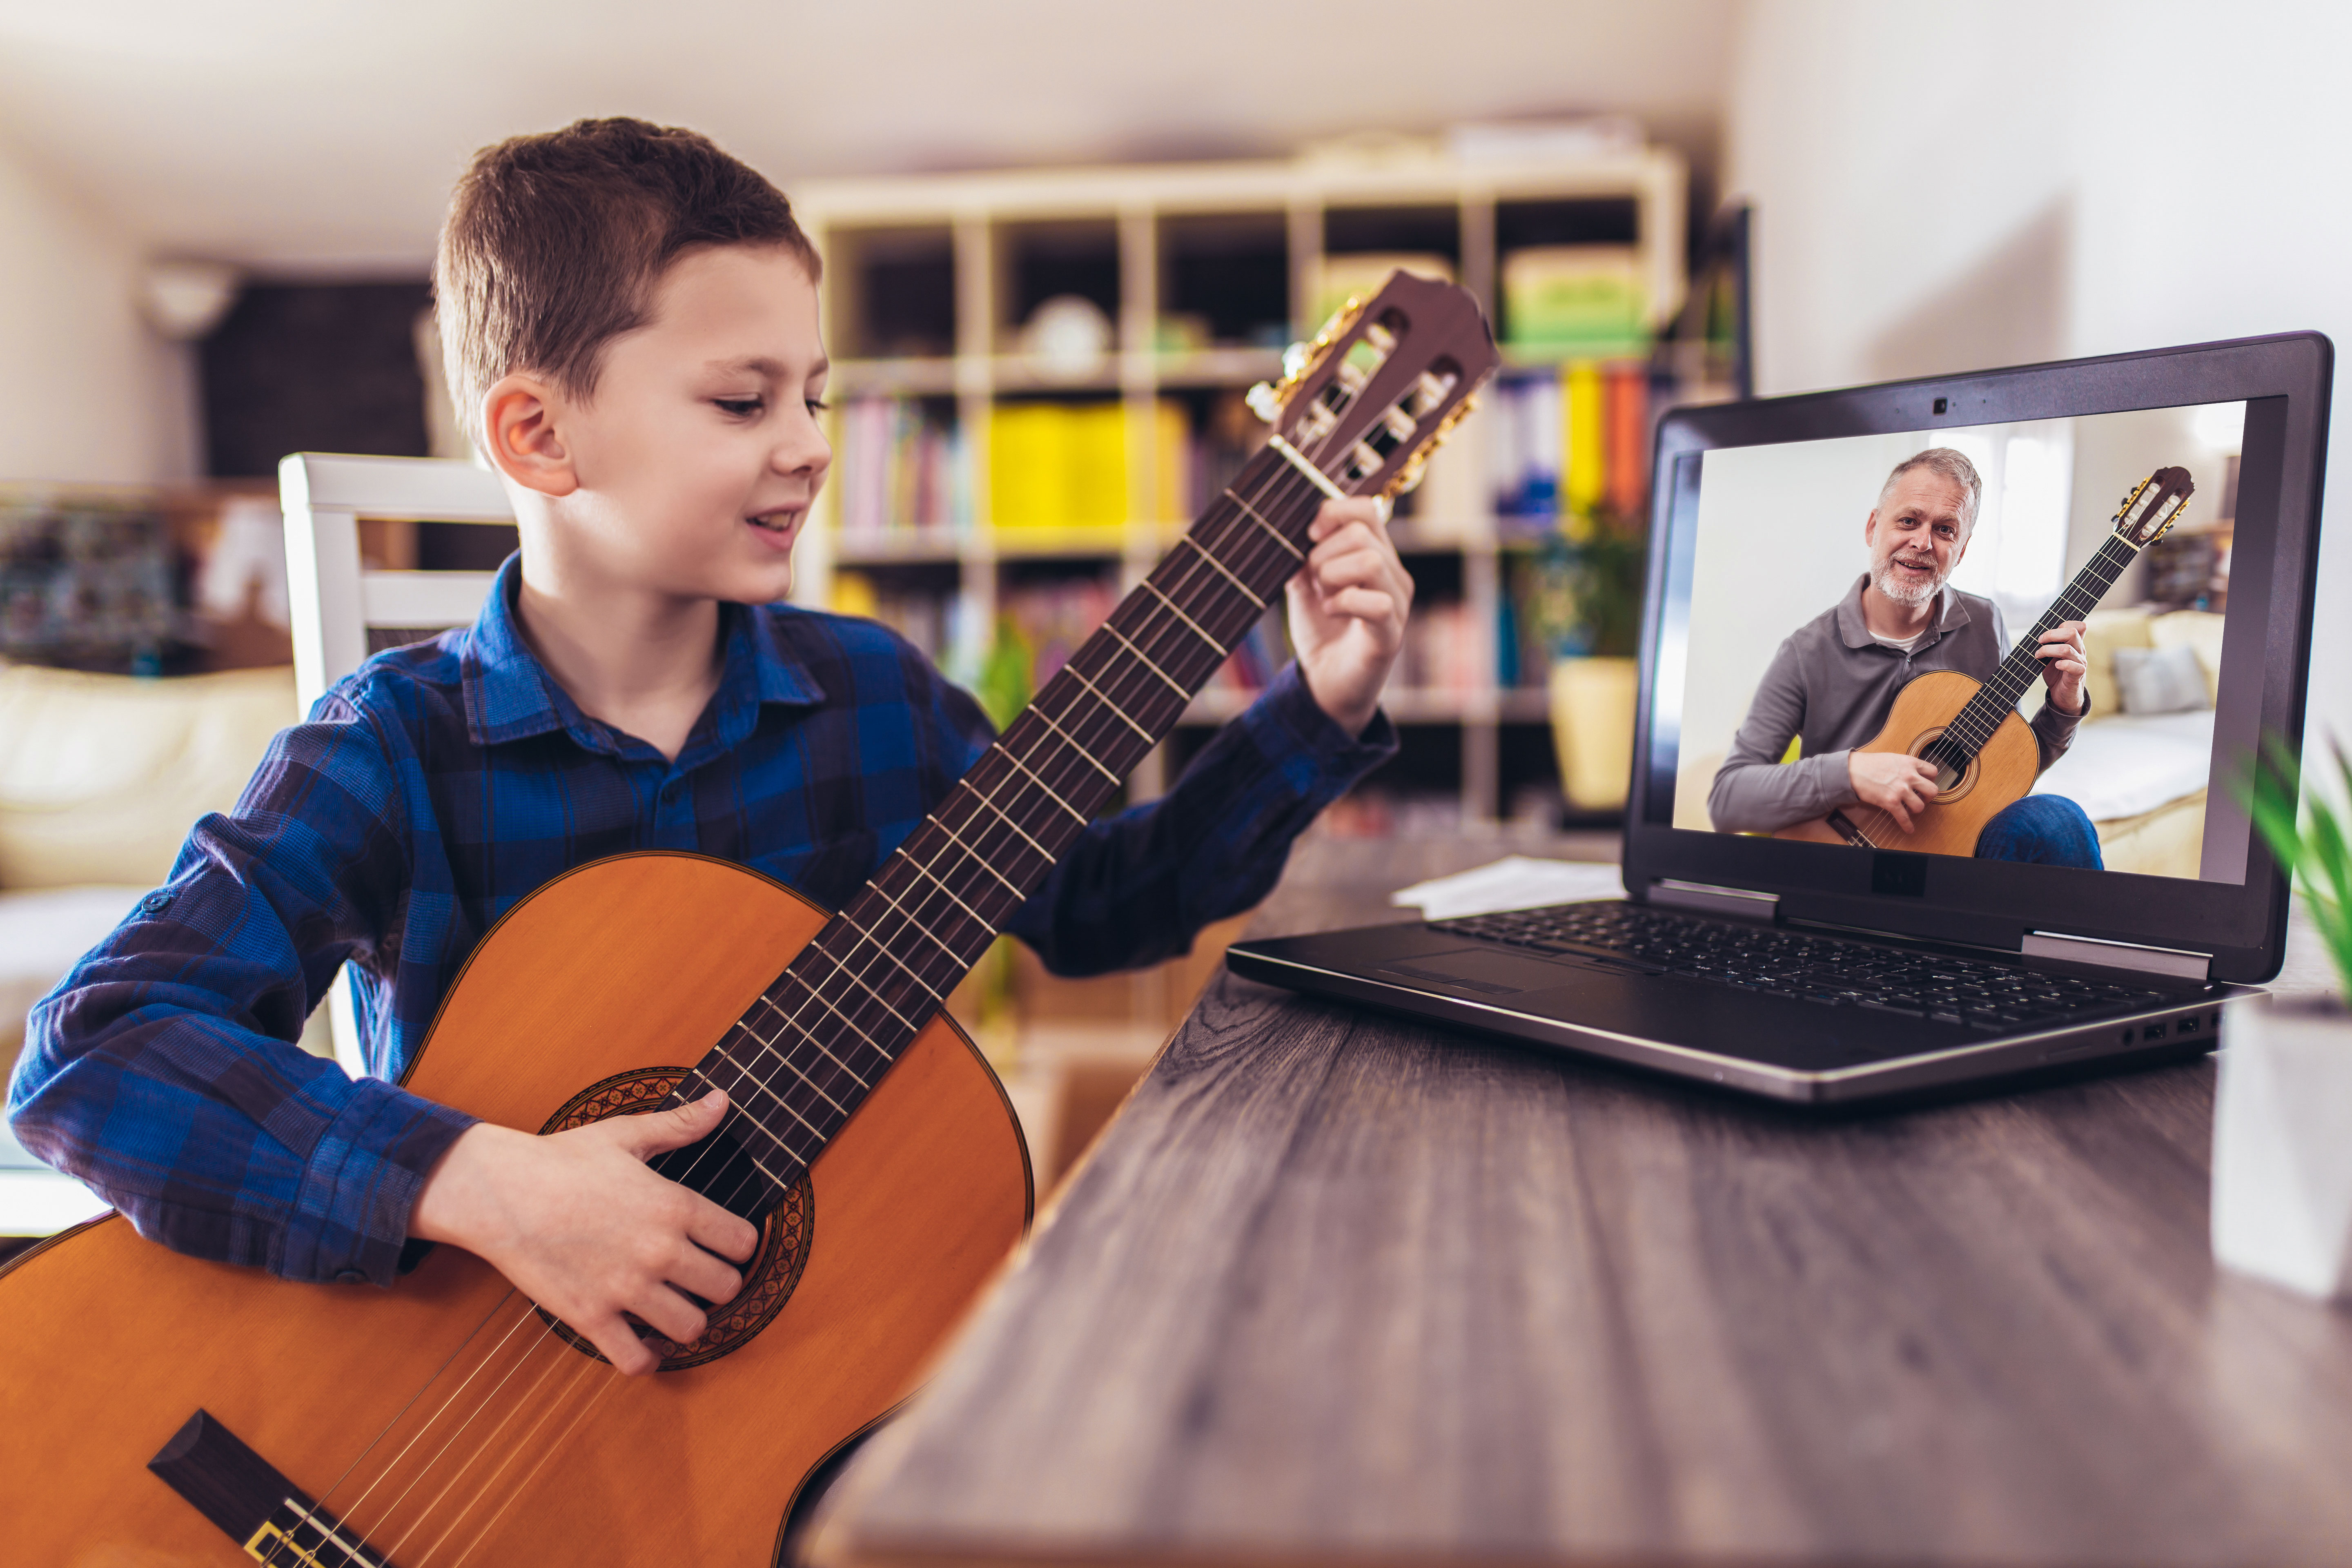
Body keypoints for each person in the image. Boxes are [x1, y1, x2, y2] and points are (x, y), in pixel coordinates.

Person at [7, 120, 1415, 1376]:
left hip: (788, 1370)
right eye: (743, 403)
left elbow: (1105, 909)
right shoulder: (391, 748)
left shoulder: (873, 697)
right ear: (540, 435)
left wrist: (1324, 702)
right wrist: (490, 1188)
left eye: (815, 395)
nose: (806, 445)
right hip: (460, 1392)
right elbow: (94, 1057)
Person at [1706, 446, 2103, 866]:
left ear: (1962, 551)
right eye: (1909, 521)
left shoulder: (1985, 623)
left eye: (1945, 530)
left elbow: (2006, 770)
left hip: (1953, 856)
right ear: (1874, 528)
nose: (1922, 543)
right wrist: (1852, 774)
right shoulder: (1806, 652)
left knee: (2058, 820)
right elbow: (1729, 798)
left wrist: (2063, 706)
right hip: (1847, 860)